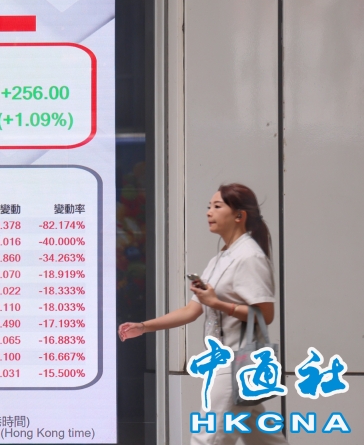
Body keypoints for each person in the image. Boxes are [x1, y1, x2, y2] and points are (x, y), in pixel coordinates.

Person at [118, 184, 288, 445]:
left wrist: (217, 303)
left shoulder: (249, 257)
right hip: (229, 362)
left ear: (239, 215)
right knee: (263, 440)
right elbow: (191, 310)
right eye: (209, 206)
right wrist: (143, 326)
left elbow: (265, 314)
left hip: (237, 363)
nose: (209, 212)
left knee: (207, 438)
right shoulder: (221, 258)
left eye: (217, 206)